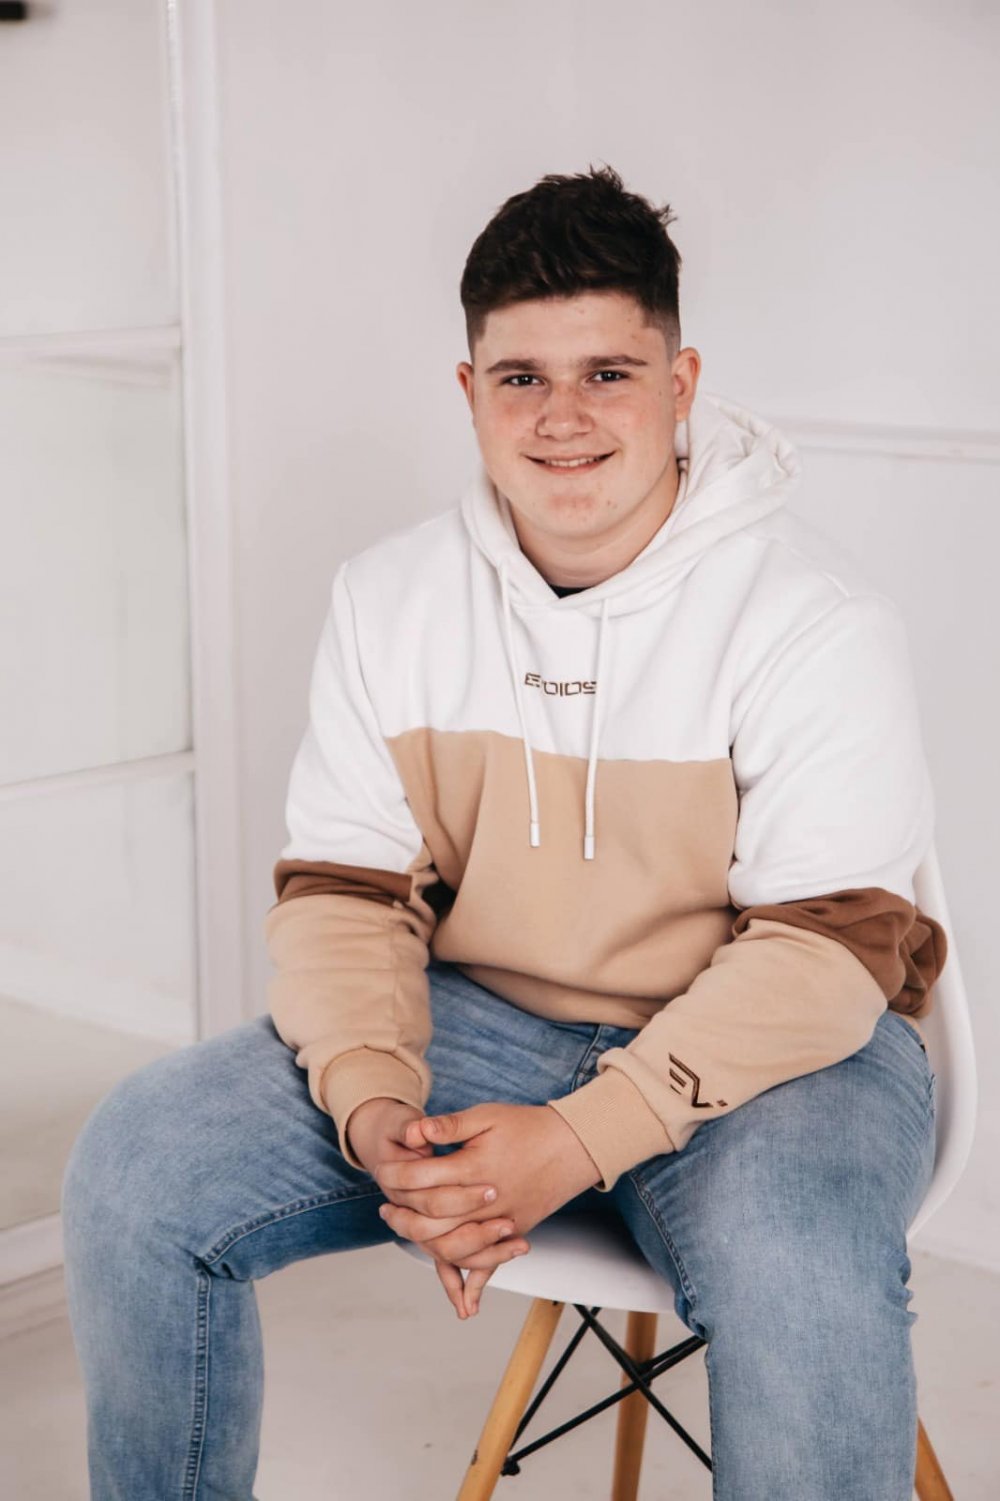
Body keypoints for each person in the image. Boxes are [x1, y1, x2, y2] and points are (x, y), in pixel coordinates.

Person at [61, 165, 946, 1501]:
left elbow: (826, 956)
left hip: (776, 1052)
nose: (562, 417)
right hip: (488, 1021)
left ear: (682, 383)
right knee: (138, 1169)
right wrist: (374, 1102)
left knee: (802, 1270)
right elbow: (345, 893)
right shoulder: (390, 600)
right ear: (470, 391)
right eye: (523, 377)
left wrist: (577, 1140)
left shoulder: (815, 617)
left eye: (609, 373)